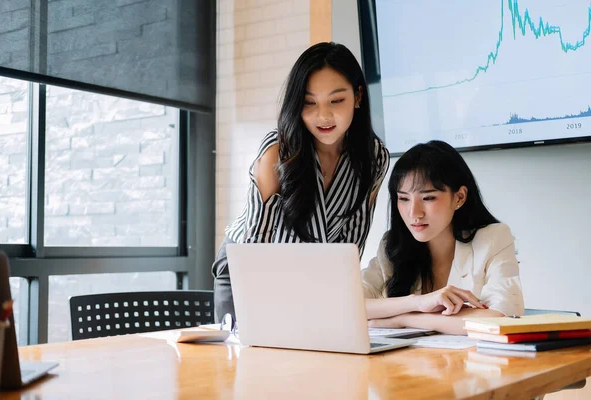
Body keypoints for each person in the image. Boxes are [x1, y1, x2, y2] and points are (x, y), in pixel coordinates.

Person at [212, 42, 390, 322]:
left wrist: (337, 300)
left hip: (308, 274)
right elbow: (256, 242)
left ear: (357, 97)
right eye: (310, 103)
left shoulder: (374, 157)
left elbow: (353, 243)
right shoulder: (277, 151)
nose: (324, 116)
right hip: (246, 267)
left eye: (336, 100)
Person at [362, 140, 524, 335]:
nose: (414, 213)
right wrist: (417, 302)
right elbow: (347, 306)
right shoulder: (393, 245)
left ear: (459, 197)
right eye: (403, 198)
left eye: (428, 198)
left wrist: (405, 319)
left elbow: (501, 319)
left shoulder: (493, 238)